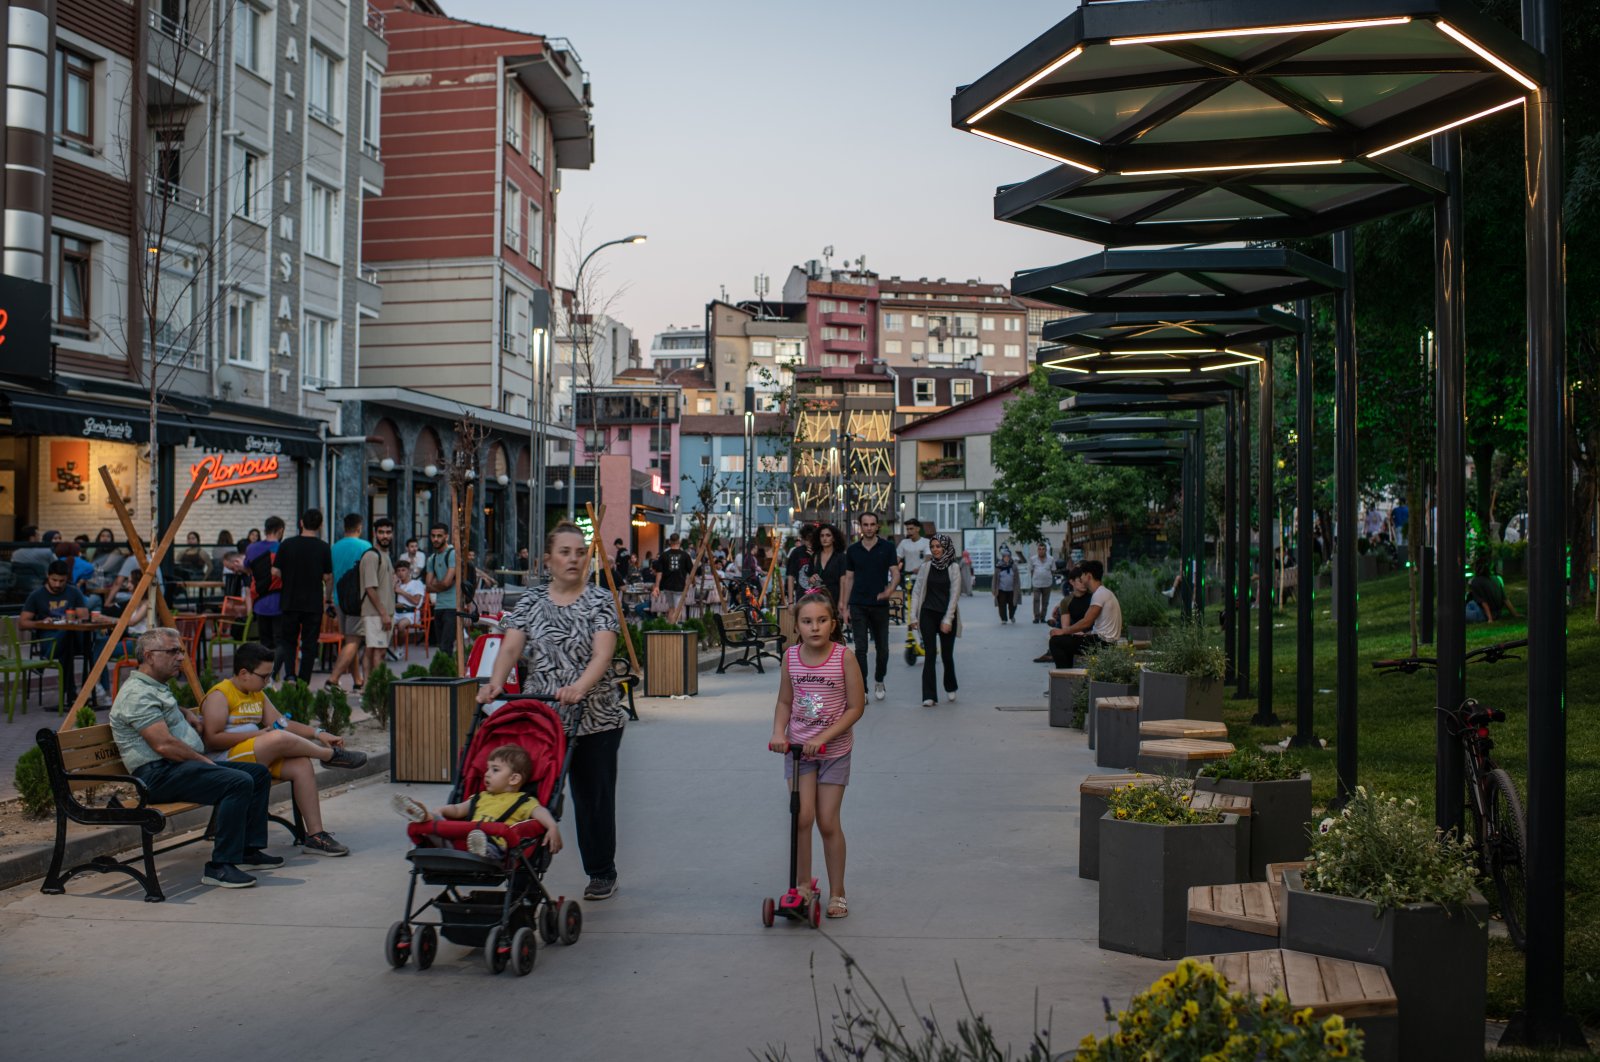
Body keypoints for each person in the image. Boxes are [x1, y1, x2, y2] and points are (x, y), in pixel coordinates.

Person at [479, 521, 623, 901]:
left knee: (593, 799)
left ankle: (601, 871)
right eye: (565, 552)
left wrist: (579, 687)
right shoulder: (530, 601)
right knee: (531, 796)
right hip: (542, 719)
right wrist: (495, 681)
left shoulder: (599, 600)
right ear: (548, 560)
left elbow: (603, 653)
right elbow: (510, 648)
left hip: (595, 719)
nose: (573, 559)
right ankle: (521, 872)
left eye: (580, 552)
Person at [110, 628, 277, 888]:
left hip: (173, 768)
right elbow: (164, 744)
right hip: (156, 776)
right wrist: (205, 762)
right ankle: (220, 866)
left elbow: (161, 712)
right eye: (173, 651)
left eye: (181, 651)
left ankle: (247, 849)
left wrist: (183, 710)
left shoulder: (153, 687)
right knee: (237, 781)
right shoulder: (137, 694)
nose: (180, 658)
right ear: (149, 656)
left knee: (258, 773)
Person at [198, 643, 363, 857]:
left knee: (301, 764)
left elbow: (281, 723)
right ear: (244, 673)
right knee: (276, 738)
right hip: (225, 762)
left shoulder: (256, 693)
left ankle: (315, 836)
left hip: (253, 756)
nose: (267, 682)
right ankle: (329, 756)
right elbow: (211, 739)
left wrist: (318, 733)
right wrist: (258, 735)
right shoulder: (220, 695)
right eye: (264, 677)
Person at [768, 590, 864, 920]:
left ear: (832, 624)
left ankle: (838, 892)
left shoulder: (843, 657)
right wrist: (779, 732)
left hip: (834, 751)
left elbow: (856, 707)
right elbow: (784, 702)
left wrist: (823, 737)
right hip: (799, 752)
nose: (815, 627)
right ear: (797, 626)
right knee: (802, 817)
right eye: (807, 621)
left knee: (826, 820)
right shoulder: (790, 658)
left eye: (822, 620)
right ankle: (803, 886)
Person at [393, 744, 562, 859]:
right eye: (487, 769)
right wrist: (441, 811)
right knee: (436, 824)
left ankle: (479, 850)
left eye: (495, 770)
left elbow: (540, 811)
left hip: (494, 845)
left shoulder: (523, 801)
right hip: (460, 843)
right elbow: (458, 810)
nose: (487, 774)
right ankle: (423, 817)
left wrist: (552, 826)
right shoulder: (480, 797)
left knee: (484, 841)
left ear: (514, 778)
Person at [840, 512, 900, 703]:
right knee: (860, 649)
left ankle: (879, 680)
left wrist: (890, 590)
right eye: (865, 524)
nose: (869, 528)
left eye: (872, 524)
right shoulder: (853, 550)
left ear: (877, 527)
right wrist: (844, 605)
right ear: (860, 527)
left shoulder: (887, 547)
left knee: (883, 649)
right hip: (858, 604)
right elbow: (848, 578)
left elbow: (895, 573)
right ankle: (863, 688)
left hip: (880, 605)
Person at [21, 559, 94, 705]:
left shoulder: (73, 592)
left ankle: (43, 664)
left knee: (69, 633)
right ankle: (73, 695)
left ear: (67, 579)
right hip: (49, 642)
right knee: (67, 643)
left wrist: (72, 618)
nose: (57, 584)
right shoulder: (37, 595)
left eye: (62, 581)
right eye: (54, 580)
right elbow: (22, 623)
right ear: (48, 576)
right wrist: (39, 623)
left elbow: (84, 617)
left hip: (73, 640)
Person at [273, 509, 334, 684]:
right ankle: (304, 681)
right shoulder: (323, 547)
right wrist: (328, 599)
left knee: (288, 641)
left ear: (301, 523)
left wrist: (289, 576)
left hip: (289, 600)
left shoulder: (287, 544)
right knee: (309, 644)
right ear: (320, 525)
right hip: (313, 602)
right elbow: (328, 577)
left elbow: (275, 571)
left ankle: (290, 675)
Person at [909, 534, 966, 707]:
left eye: (938, 546)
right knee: (930, 655)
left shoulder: (953, 567)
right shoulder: (926, 567)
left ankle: (950, 685)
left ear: (946, 547)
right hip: (928, 613)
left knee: (947, 655)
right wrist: (913, 616)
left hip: (947, 615)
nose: (935, 549)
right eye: (933, 546)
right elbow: (917, 591)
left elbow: (955, 594)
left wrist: (948, 619)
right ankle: (929, 695)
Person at [329, 513, 371, 692]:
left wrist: (327, 598)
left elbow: (330, 577)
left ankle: (357, 680)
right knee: (354, 640)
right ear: (359, 527)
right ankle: (333, 679)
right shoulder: (365, 546)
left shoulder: (334, 548)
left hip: (339, 599)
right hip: (358, 600)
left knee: (349, 640)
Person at [1050, 560, 1122, 664]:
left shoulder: (1099, 594)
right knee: (1067, 640)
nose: (1081, 577)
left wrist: (1064, 631)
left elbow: (1086, 622)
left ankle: (1064, 676)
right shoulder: (1104, 592)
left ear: (1088, 575)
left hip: (1103, 644)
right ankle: (1067, 673)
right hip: (1102, 640)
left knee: (1056, 642)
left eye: (1082, 574)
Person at [359, 517, 397, 678]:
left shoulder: (384, 555)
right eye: (381, 532)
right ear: (375, 534)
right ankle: (374, 689)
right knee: (378, 652)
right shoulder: (372, 556)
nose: (385, 536)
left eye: (388, 532)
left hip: (383, 613)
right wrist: (383, 614)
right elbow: (370, 588)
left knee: (372, 650)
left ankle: (369, 688)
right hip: (376, 614)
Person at [245, 516, 284, 657]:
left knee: (264, 641)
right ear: (280, 530)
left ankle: (265, 673)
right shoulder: (282, 548)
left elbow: (247, 569)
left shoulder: (251, 548)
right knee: (280, 640)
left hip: (259, 600)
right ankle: (277, 672)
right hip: (280, 600)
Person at [424, 521, 461, 651]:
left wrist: (438, 584)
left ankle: (449, 671)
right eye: (433, 536)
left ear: (446, 536)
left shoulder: (452, 554)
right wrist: (443, 584)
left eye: (439, 536)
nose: (435, 539)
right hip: (439, 606)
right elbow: (428, 586)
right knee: (441, 646)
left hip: (453, 606)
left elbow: (445, 583)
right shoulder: (432, 559)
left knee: (446, 647)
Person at [1047, 568, 1095, 667]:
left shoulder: (1094, 598)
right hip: (1076, 635)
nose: (1084, 583)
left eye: (1085, 580)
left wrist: (1087, 633)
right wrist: (1075, 632)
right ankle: (1065, 673)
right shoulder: (1066, 601)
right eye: (1080, 581)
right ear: (1072, 582)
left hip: (1093, 636)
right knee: (1055, 639)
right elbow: (1065, 627)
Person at [652, 532, 695, 622]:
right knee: (677, 608)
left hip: (667, 586)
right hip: (679, 586)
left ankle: (670, 628)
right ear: (679, 541)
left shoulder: (664, 555)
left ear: (670, 542)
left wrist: (657, 586)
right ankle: (674, 628)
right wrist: (693, 582)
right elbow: (692, 572)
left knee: (671, 608)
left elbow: (659, 572)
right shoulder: (685, 555)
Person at [785, 526, 816, 603]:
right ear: (803, 539)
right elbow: (790, 577)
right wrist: (790, 602)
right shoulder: (796, 552)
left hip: (818, 597)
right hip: (801, 596)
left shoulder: (821, 552)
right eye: (806, 539)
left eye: (812, 539)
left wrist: (814, 558)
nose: (809, 542)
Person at [895, 518, 930, 587]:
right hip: (908, 576)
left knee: (920, 596)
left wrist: (920, 568)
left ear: (918, 529)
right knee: (908, 594)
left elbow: (928, 558)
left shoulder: (926, 542)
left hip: (921, 576)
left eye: (911, 529)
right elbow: (897, 558)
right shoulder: (904, 543)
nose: (909, 531)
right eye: (907, 529)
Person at [394, 560, 426, 635]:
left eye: (403, 570)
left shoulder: (416, 583)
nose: (400, 573)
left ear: (409, 571)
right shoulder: (396, 584)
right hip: (396, 612)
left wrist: (401, 592)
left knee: (401, 625)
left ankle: (400, 647)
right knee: (385, 623)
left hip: (411, 613)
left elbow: (416, 601)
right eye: (398, 571)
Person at [1028, 543, 1055, 624]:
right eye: (1039, 549)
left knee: (1045, 601)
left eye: (1043, 549)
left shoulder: (1051, 559)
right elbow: (1031, 570)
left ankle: (1043, 617)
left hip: (1047, 583)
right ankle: (1036, 617)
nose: (1041, 551)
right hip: (1036, 583)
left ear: (1046, 550)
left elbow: (1053, 570)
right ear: (1037, 550)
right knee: (1036, 600)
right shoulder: (1033, 559)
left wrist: (1047, 576)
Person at [993, 548, 1019, 624]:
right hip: (1001, 589)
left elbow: (1017, 579)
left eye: (1008, 556)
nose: (1007, 558)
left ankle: (1011, 616)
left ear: (1010, 557)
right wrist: (994, 589)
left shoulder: (1014, 566)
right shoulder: (998, 566)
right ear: (1003, 557)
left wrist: (1018, 588)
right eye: (1005, 556)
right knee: (1002, 605)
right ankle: (1004, 619)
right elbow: (994, 579)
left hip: (1012, 590)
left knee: (1013, 604)